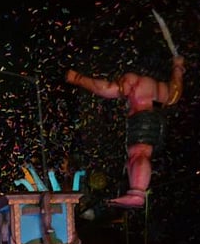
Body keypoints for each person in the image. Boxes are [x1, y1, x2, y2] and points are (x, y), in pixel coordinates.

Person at [65, 55, 186, 208]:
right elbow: (174, 94)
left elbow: (105, 89)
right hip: (150, 121)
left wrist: (77, 78)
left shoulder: (134, 80)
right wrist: (177, 69)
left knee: (139, 154)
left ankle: (137, 193)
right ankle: (136, 191)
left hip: (143, 120)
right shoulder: (158, 86)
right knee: (135, 157)